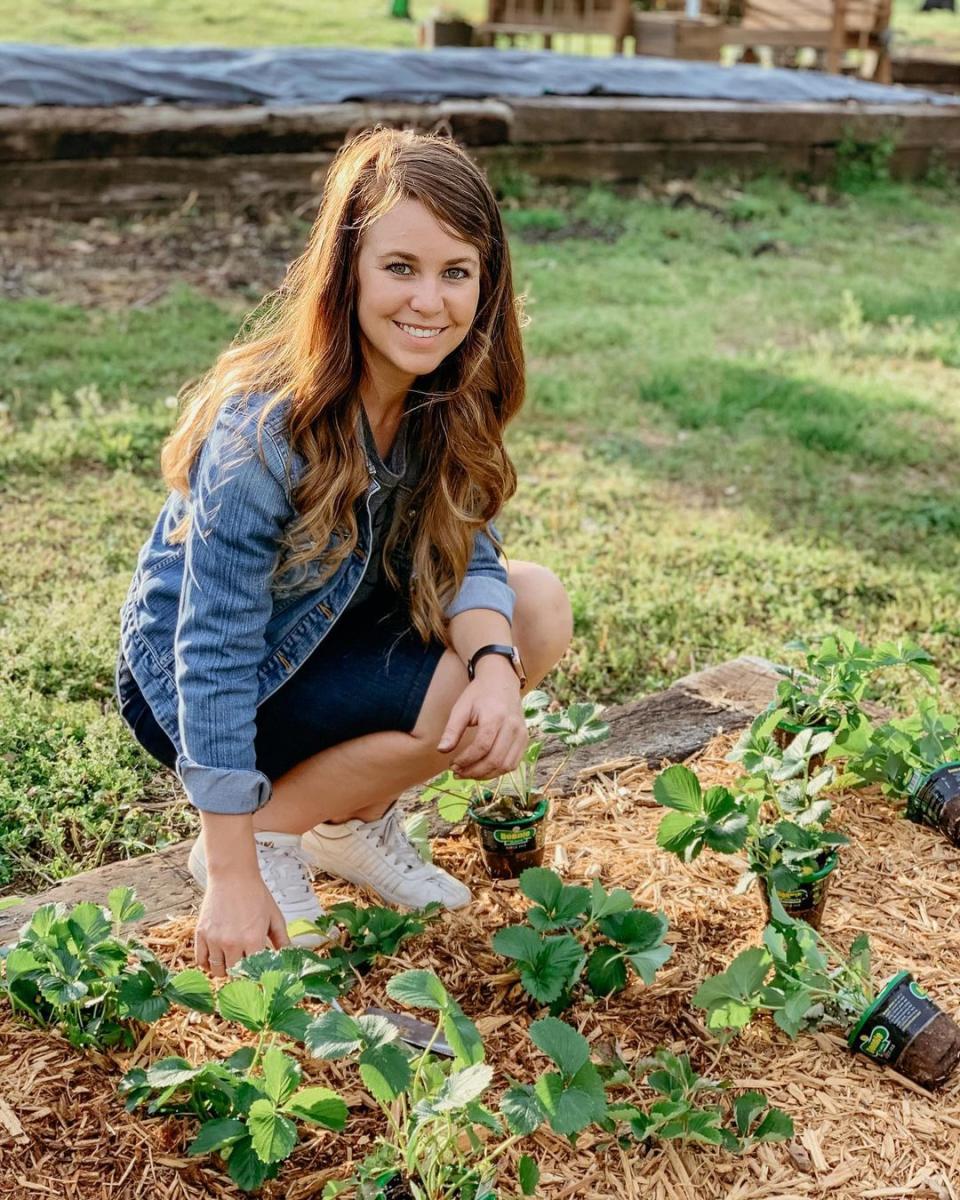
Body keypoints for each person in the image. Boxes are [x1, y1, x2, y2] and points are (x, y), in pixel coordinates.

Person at [115, 127, 573, 978]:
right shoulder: (266, 432)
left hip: (325, 641)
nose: (428, 301)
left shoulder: (445, 394)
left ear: (487, 282)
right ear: (347, 273)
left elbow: (469, 550)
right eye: (400, 267)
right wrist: (229, 871)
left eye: (455, 272)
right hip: (214, 687)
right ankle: (264, 836)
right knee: (452, 687)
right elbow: (210, 650)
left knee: (532, 606)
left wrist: (501, 672)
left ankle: (347, 831)